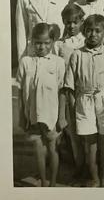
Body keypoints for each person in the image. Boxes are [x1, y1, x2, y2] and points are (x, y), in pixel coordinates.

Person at [63, 15, 104, 187]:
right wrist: (72, 106)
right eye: (89, 30)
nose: (93, 34)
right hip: (84, 101)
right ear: (84, 32)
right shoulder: (77, 54)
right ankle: (94, 177)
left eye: (97, 31)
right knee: (89, 143)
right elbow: (69, 85)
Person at [16, 23, 66, 187]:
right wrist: (22, 117)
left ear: (52, 42)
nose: (42, 46)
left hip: (52, 114)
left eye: (46, 43)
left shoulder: (58, 62)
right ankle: (43, 181)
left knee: (52, 147)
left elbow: (62, 91)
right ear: (31, 42)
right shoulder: (26, 62)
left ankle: (52, 182)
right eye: (38, 42)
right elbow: (21, 92)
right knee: (38, 146)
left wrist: (62, 116)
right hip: (32, 114)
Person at [53, 3, 85, 183]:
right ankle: (79, 166)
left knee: (87, 131)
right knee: (72, 130)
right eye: (68, 23)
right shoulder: (59, 45)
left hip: (85, 90)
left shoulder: (86, 40)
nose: (71, 26)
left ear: (81, 22)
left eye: (75, 22)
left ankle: (91, 166)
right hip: (68, 90)